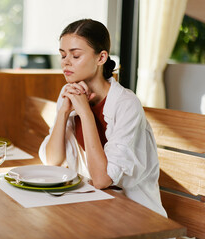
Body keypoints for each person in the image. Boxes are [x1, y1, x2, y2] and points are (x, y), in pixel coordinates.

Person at [38, 19, 167, 217]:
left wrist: (85, 113)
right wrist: (64, 113)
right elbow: (52, 161)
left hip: (133, 211)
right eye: (63, 55)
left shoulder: (126, 103)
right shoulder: (70, 93)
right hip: (92, 204)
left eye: (76, 55)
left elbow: (102, 180)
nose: (66, 62)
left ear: (101, 58)